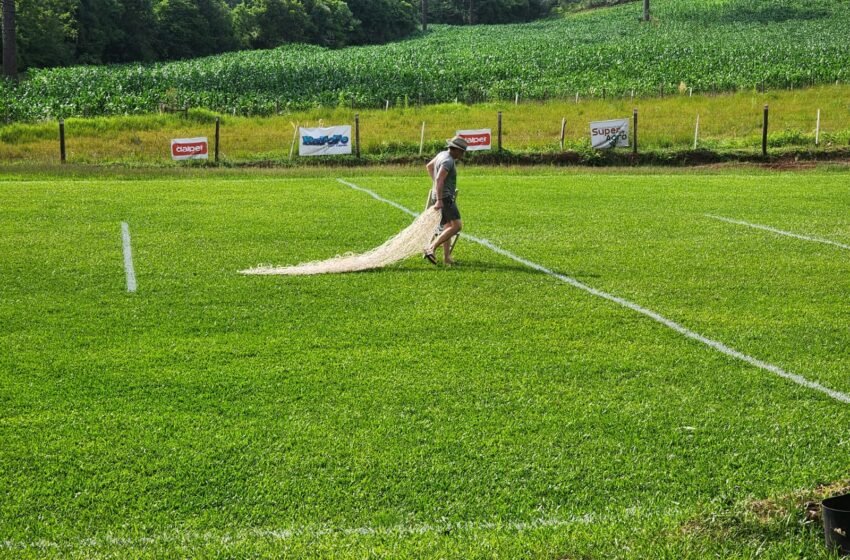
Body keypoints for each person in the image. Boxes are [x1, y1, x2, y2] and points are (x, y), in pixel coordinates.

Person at [424, 136, 467, 265]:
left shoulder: (442, 154)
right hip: (445, 197)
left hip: (440, 195)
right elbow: (439, 179)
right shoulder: (448, 161)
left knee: (447, 227)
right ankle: (431, 248)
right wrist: (439, 199)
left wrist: (436, 188)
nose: (462, 154)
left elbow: (429, 167)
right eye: (462, 151)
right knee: (457, 226)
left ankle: (447, 258)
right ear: (455, 149)